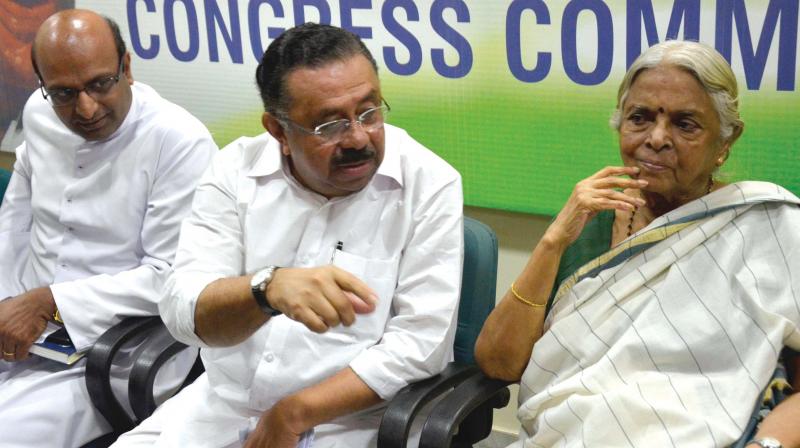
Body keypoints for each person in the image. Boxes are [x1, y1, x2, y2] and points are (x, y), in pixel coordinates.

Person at [112, 23, 463, 448]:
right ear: (277, 131)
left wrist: (296, 412)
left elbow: (422, 344)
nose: (357, 137)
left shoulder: (430, 183)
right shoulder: (234, 170)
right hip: (220, 406)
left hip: (349, 422)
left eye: (369, 112)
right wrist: (265, 289)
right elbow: (184, 309)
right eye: (329, 125)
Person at [475, 40, 800, 448]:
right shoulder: (587, 228)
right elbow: (498, 363)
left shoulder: (767, 225)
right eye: (640, 118)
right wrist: (553, 241)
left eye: (685, 124)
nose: (657, 138)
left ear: (726, 142)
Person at [0, 9, 217, 447]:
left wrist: (49, 302)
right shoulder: (39, 116)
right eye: (62, 92)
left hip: (112, 350)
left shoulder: (177, 140)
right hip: (22, 318)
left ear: (128, 68)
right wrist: (7, 304)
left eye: (101, 84)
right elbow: (15, 224)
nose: (86, 108)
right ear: (42, 85)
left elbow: (171, 278)